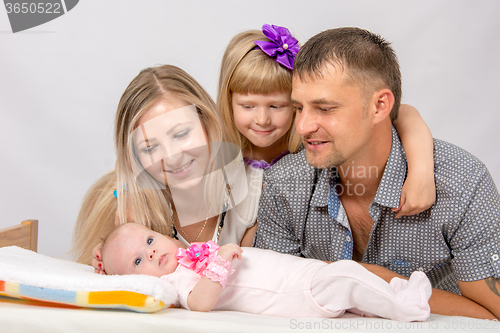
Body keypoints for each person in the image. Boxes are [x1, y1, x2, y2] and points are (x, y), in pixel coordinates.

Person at [253, 27, 500, 319]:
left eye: (325, 108)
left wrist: (372, 280)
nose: (303, 126)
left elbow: (493, 313)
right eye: (298, 108)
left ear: (379, 105)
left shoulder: (462, 182)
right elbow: (271, 303)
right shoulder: (284, 185)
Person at [216, 24, 437, 246]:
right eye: (247, 106)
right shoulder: (219, 156)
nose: (262, 119)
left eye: (276, 106)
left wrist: (422, 171)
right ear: (229, 102)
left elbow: (402, 114)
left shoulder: (316, 144)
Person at [71, 65, 252, 266]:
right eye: (149, 148)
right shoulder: (121, 213)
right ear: (135, 159)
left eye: (181, 134)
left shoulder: (253, 194)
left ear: (208, 123)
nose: (172, 158)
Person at [101, 222, 432, 322]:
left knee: (351, 285)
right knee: (345, 275)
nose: (152, 252)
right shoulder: (175, 280)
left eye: (148, 240)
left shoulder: (188, 253)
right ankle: (407, 308)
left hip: (301, 274)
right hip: (298, 295)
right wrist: (219, 264)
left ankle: (390, 299)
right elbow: (201, 302)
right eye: (138, 261)